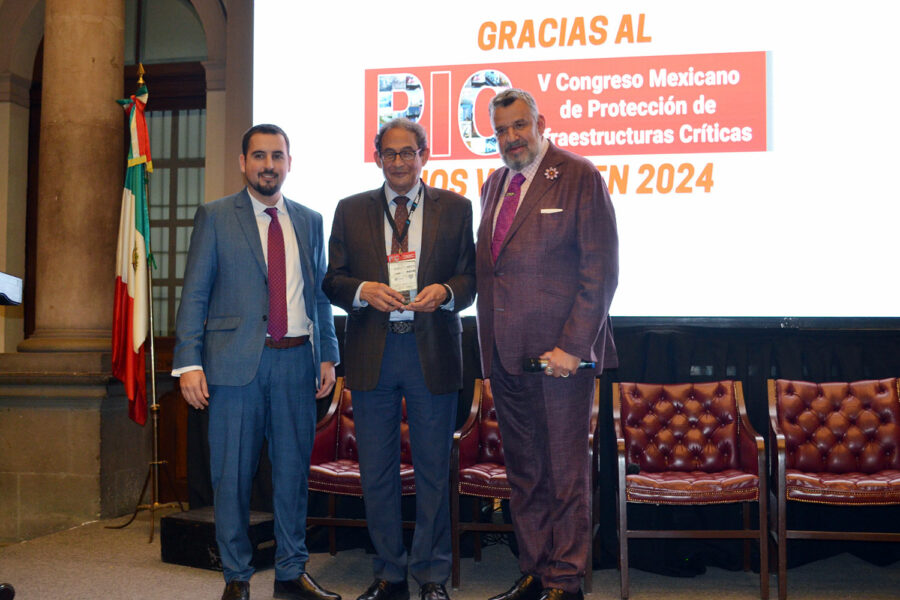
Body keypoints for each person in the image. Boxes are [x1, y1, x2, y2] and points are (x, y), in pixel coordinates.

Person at [173, 124, 341, 600]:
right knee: (232, 477)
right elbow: (195, 295)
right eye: (260, 156)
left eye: (278, 156)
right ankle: (237, 578)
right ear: (243, 162)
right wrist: (188, 362)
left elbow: (320, 296)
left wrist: (327, 352)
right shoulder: (215, 216)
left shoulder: (309, 220)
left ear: (290, 162)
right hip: (232, 368)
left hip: (295, 365)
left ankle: (291, 573)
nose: (269, 165)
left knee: (292, 477)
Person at [323, 118, 476, 600]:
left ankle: (430, 574)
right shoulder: (351, 210)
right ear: (377, 159)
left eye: (408, 153)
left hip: (431, 351)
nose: (399, 162)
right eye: (389, 154)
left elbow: (471, 280)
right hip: (374, 355)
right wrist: (364, 290)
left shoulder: (456, 208)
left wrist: (447, 292)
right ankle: (389, 572)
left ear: (424, 155)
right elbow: (333, 280)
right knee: (378, 470)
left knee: (433, 469)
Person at [475, 89, 619, 600]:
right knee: (526, 474)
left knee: (564, 474)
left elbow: (599, 272)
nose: (511, 138)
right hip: (505, 356)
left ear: (540, 122)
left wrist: (573, 349)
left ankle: (566, 580)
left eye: (519, 126)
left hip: (559, 359)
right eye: (500, 130)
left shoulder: (579, 175)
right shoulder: (494, 184)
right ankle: (536, 571)